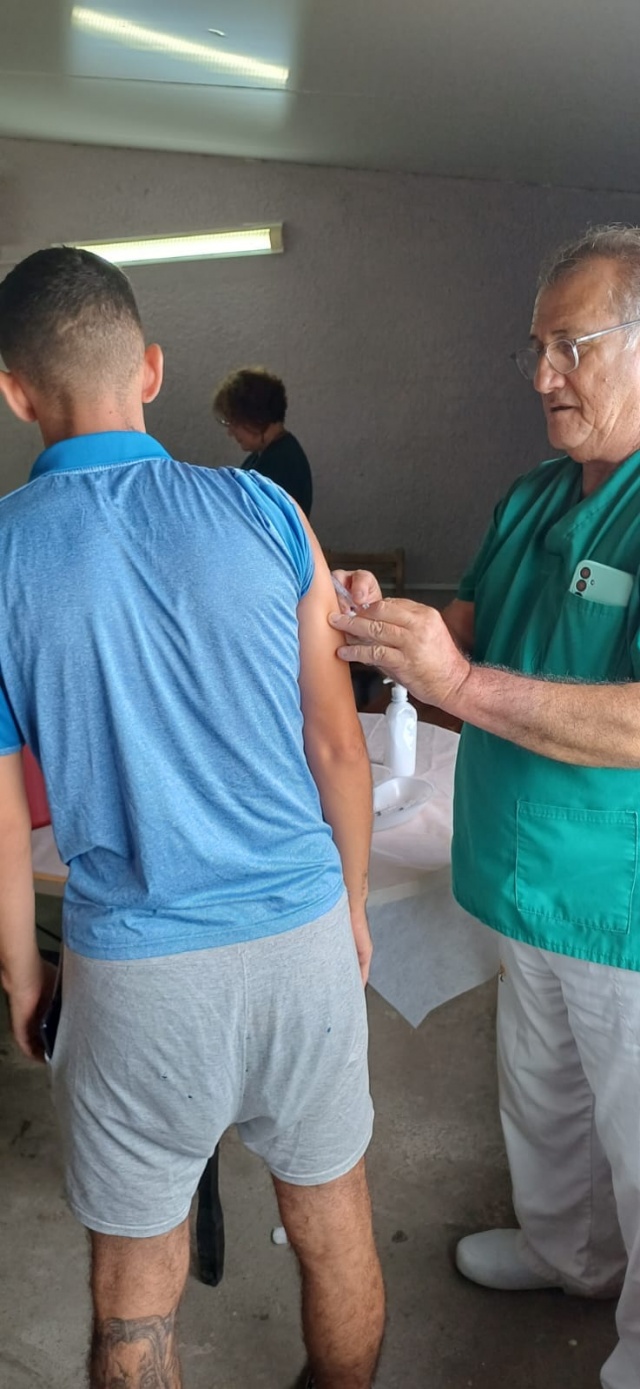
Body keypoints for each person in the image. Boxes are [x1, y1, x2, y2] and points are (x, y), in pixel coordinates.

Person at [0, 247, 384, 1389]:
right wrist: (352, 909)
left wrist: (24, 974)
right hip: (301, 937)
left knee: (134, 1288)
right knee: (335, 1223)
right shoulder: (266, 509)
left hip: (137, 975)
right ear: (153, 370)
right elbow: (338, 748)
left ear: (15, 392)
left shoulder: (4, 553)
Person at [330, 225, 640, 1389]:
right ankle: (570, 1255)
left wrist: (454, 683)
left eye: (572, 346)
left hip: (621, 900)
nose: (543, 375)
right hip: (521, 877)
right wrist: (383, 622)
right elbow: (467, 630)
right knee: (542, 1097)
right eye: (536, 349)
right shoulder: (532, 498)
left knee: (637, 1132)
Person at [213, 366, 313, 517]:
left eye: (234, 422)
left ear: (255, 418)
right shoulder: (269, 453)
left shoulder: (280, 464)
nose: (230, 432)